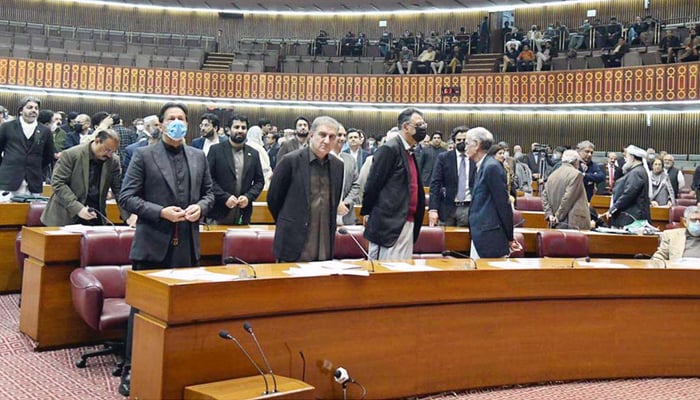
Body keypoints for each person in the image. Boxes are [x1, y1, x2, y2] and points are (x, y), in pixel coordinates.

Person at [117, 102, 215, 397]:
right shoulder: (143, 155)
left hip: (187, 243)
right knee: (144, 311)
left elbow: (210, 193)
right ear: (160, 125)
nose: (177, 123)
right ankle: (133, 368)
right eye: (171, 118)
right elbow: (127, 197)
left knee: (183, 309)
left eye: (182, 118)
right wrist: (161, 212)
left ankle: (176, 363)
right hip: (152, 243)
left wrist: (201, 207)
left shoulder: (198, 157)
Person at [267, 116, 344, 262]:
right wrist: (291, 222)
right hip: (294, 242)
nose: (327, 140)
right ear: (311, 135)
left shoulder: (338, 166)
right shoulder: (290, 161)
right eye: (322, 135)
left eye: (332, 137)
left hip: (325, 243)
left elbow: (333, 202)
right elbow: (274, 199)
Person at [361, 108, 426, 260]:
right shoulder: (390, 149)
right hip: (389, 223)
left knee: (401, 274)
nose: (423, 128)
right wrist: (367, 212)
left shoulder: (410, 151)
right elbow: (373, 184)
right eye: (419, 124)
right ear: (405, 127)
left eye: (424, 124)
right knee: (387, 273)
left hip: (406, 221)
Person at [41, 129, 130, 226]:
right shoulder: (71, 155)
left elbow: (118, 189)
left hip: (95, 215)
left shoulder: (113, 161)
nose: (109, 155)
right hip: (64, 216)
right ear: (97, 141)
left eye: (113, 151)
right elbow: (58, 183)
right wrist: (78, 208)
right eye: (107, 150)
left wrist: (128, 216)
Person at [467, 127, 521, 258]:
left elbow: (503, 205)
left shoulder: (491, 167)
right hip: (481, 235)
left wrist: (509, 237)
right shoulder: (481, 166)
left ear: (477, 145)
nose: (465, 147)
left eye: (467, 143)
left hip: (490, 238)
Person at [207, 115, 265, 225]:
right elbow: (208, 179)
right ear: (229, 130)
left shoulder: (253, 153)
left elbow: (259, 181)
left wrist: (248, 197)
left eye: (243, 128)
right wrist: (225, 197)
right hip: (219, 210)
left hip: (243, 212)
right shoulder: (216, 150)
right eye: (236, 127)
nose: (240, 130)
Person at [0, 96, 55, 196]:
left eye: (36, 108)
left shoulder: (45, 131)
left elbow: (48, 156)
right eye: (30, 107)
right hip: (8, 181)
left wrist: (35, 166)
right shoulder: (7, 127)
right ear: (21, 110)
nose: (33, 110)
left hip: (34, 182)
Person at [428, 126, 476, 227]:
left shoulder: (475, 159)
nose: (462, 142)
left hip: (468, 207)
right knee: (444, 240)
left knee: (463, 241)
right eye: (459, 140)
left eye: (465, 140)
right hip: (447, 207)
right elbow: (435, 184)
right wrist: (433, 209)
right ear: (454, 141)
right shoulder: (444, 158)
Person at [602, 145, 650, 227]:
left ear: (632, 158)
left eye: (626, 156)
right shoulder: (637, 171)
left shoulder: (636, 172)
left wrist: (613, 208)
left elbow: (628, 194)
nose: (625, 159)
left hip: (632, 217)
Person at [541, 150, 590, 230]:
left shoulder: (552, 175)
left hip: (554, 223)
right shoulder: (576, 174)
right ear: (575, 161)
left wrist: (549, 215)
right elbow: (568, 198)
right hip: (571, 223)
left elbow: (544, 196)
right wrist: (558, 217)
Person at [332, 124, 361, 226]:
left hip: (347, 213)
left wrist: (346, 202)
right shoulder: (323, 158)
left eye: (344, 135)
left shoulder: (350, 160)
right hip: (327, 214)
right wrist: (335, 205)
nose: (342, 138)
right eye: (339, 135)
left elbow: (356, 185)